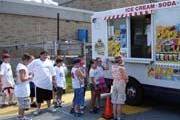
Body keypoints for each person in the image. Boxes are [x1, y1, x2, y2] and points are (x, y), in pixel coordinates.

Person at [28, 51, 57, 115]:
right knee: (39, 98)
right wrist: (30, 75)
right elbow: (28, 68)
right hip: (39, 84)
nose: (45, 56)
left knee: (49, 97)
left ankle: (49, 107)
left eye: (46, 55)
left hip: (48, 83)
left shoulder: (49, 62)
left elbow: (53, 72)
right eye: (44, 55)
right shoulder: (35, 61)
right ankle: (38, 109)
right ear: (40, 55)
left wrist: (54, 81)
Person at [14, 53, 33, 120]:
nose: (29, 63)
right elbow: (22, 79)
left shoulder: (21, 66)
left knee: (22, 104)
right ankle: (21, 117)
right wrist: (30, 77)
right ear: (25, 60)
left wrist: (28, 76)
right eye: (28, 61)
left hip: (22, 88)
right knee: (22, 105)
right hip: (22, 89)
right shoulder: (22, 67)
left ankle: (20, 116)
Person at [111, 56, 128, 120]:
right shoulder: (121, 68)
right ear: (120, 61)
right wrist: (127, 80)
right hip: (121, 83)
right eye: (121, 60)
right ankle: (118, 117)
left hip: (114, 82)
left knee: (114, 101)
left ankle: (114, 116)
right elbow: (125, 77)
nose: (122, 60)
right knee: (119, 101)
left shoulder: (112, 67)